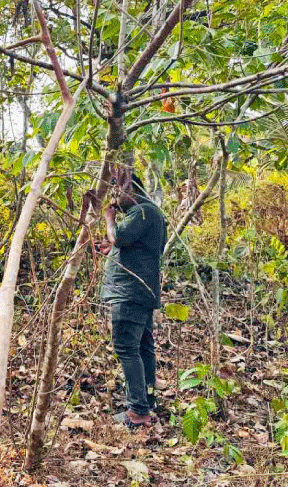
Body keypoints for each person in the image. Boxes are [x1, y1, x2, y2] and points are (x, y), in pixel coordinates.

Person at [99, 171, 166, 428]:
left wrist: (109, 219)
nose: (115, 198)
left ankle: (137, 412)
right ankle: (146, 403)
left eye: (118, 191)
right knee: (142, 347)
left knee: (127, 348)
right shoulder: (151, 214)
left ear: (132, 190)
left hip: (130, 292)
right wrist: (111, 249)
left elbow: (118, 236)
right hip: (141, 291)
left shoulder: (143, 212)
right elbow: (134, 247)